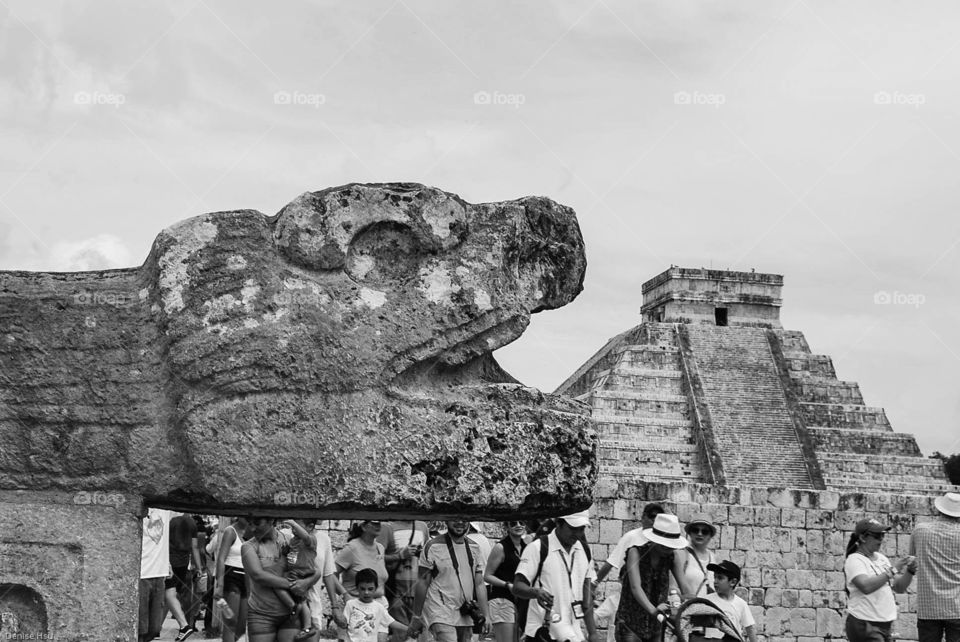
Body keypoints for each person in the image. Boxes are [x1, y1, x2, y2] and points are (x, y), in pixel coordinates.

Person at [513, 510, 601, 642]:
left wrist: (593, 633)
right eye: (573, 528)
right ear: (559, 524)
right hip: (543, 633)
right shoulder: (537, 547)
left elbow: (587, 597)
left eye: (581, 529)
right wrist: (536, 592)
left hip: (574, 633)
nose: (577, 534)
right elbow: (517, 586)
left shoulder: (585, 551)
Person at [242, 516, 324, 642]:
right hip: (262, 614)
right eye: (250, 523)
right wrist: (294, 584)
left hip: (291, 615)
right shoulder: (248, 546)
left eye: (257, 523)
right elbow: (258, 576)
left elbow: (316, 570)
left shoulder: (291, 539)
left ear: (271, 520)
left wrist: (305, 583)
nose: (252, 528)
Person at [409, 519, 490, 642]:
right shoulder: (433, 546)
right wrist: (416, 615)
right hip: (439, 610)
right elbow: (423, 582)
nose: (460, 522)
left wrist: (486, 615)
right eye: (455, 518)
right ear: (446, 521)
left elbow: (479, 584)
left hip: (465, 611)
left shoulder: (474, 547)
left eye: (465, 519)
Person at [615, 512, 689, 642]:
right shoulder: (635, 552)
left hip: (655, 626)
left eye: (671, 547)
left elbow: (685, 587)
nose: (668, 550)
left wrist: (690, 605)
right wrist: (654, 611)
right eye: (665, 546)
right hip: (630, 623)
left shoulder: (672, 556)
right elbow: (636, 587)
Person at [843, 517, 915, 642]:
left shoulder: (881, 558)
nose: (881, 539)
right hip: (865, 623)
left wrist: (910, 571)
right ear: (863, 538)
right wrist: (893, 570)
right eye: (877, 536)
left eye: (882, 535)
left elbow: (899, 587)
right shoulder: (854, 560)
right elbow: (866, 586)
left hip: (884, 624)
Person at [910, 492, 960, 642]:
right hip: (957, 606)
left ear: (939, 510)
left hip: (928, 606)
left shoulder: (920, 530)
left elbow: (912, 560)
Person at [337, 521, 391, 642]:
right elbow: (331, 574)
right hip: (356, 605)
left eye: (379, 523)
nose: (378, 526)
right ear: (363, 526)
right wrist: (344, 595)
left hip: (379, 605)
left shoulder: (380, 548)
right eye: (374, 523)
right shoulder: (352, 548)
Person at [594, 504, 666, 586]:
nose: (654, 521)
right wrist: (595, 583)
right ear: (643, 517)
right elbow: (612, 562)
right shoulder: (631, 536)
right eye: (652, 517)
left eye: (658, 519)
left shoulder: (665, 540)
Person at [379, 520, 431, 630]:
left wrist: (421, 553)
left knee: (420, 633)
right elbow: (376, 557)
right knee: (400, 633)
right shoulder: (388, 527)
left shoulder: (422, 526)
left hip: (419, 593)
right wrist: (400, 555)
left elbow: (429, 555)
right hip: (396, 593)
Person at [275, 519, 321, 641]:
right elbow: (289, 551)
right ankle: (295, 607)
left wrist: (293, 523)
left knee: (300, 600)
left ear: (310, 527)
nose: (293, 529)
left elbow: (305, 536)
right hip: (293, 572)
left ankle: (307, 626)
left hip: (302, 573)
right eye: (293, 528)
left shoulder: (311, 540)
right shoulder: (293, 540)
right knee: (297, 598)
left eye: (297, 527)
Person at [483, 520, 527, 642]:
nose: (518, 525)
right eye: (513, 523)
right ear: (507, 527)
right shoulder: (500, 547)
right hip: (501, 599)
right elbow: (487, 576)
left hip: (520, 600)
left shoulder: (526, 547)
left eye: (521, 522)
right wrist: (507, 585)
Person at [343, 568, 410, 642]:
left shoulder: (379, 607)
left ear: (376, 588)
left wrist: (410, 629)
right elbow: (343, 624)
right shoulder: (350, 604)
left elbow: (391, 622)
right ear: (357, 588)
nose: (366, 592)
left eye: (370, 589)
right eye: (362, 589)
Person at [139, 507, 173, 642]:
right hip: (141, 573)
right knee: (141, 628)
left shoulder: (165, 509)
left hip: (159, 573)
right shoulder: (141, 506)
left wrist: (167, 563)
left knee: (154, 628)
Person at [214, 516, 250, 642]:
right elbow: (221, 558)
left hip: (247, 577)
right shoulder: (230, 531)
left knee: (242, 624)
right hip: (231, 575)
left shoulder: (252, 531)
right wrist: (220, 585)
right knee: (230, 622)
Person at [168, 511, 202, 641]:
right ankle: (188, 624)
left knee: (168, 594)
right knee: (185, 595)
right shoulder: (191, 523)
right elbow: (194, 547)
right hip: (184, 563)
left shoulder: (171, 521)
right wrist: (199, 567)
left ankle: (159, 629)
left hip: (170, 561)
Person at [704, 561, 756, 642]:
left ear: (733, 582)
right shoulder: (706, 601)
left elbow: (750, 628)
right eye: (715, 577)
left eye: (720, 578)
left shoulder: (741, 604)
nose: (715, 581)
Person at [674, 514, 717, 599]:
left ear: (710, 535)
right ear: (690, 533)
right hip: (688, 605)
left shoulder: (713, 557)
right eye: (695, 530)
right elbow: (673, 588)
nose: (699, 534)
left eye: (704, 531)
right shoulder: (681, 554)